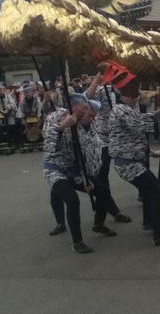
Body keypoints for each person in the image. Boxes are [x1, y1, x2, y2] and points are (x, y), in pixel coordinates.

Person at [108, 79, 160, 247]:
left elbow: (136, 129)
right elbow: (138, 125)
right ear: (131, 96)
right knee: (156, 192)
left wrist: (150, 152)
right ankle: (159, 235)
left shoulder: (127, 109)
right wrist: (157, 114)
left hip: (134, 161)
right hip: (128, 164)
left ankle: (149, 222)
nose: (139, 98)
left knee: (149, 191)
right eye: (137, 95)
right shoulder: (120, 110)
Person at [42, 93, 117, 254]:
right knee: (72, 200)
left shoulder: (85, 123)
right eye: (83, 109)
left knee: (103, 191)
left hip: (77, 169)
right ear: (73, 107)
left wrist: (87, 177)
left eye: (87, 109)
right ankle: (78, 242)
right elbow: (48, 144)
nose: (86, 113)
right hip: (56, 169)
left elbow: (88, 151)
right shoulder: (55, 116)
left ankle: (98, 224)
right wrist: (62, 126)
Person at [84, 74, 131, 224]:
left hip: (120, 136)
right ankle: (110, 213)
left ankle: (144, 196)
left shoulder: (121, 90)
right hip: (103, 139)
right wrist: (97, 79)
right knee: (102, 179)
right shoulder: (101, 90)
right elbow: (86, 96)